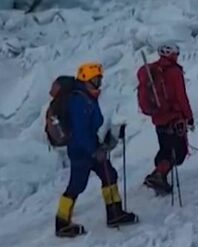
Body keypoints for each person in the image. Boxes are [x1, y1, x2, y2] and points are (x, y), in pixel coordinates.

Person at [55, 62, 138, 238]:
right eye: (96, 80)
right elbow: (80, 132)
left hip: (91, 148)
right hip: (81, 151)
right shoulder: (79, 101)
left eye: (99, 79)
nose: (99, 83)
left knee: (109, 175)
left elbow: (94, 124)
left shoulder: (88, 97)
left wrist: (108, 137)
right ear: (86, 80)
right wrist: (94, 150)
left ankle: (115, 213)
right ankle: (62, 223)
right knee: (77, 185)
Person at [137, 43, 194, 196]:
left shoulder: (154, 70)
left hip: (158, 118)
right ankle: (158, 175)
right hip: (174, 118)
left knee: (165, 149)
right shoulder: (174, 72)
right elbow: (181, 97)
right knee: (179, 152)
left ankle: (159, 175)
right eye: (176, 54)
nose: (177, 57)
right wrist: (189, 117)